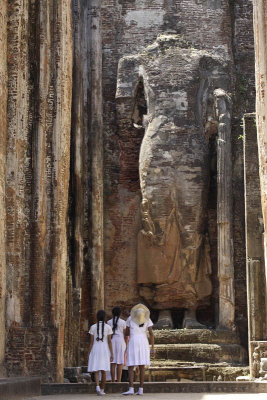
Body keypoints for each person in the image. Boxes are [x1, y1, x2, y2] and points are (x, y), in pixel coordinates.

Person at [122, 304, 155, 396]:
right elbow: (151, 334)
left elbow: (126, 333)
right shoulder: (147, 319)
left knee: (131, 366)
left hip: (133, 341)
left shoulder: (130, 319)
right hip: (143, 342)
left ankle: (131, 388)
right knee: (142, 366)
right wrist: (153, 347)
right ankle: (141, 389)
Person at [88, 310, 114, 396]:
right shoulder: (108, 327)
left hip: (95, 348)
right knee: (104, 370)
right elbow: (109, 341)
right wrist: (112, 353)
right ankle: (102, 390)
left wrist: (89, 352)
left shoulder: (93, 327)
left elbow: (91, 342)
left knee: (96, 369)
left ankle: (97, 387)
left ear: (97, 317)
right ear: (104, 317)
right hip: (104, 349)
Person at [107, 306, 127, 382]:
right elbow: (125, 335)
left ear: (112, 313)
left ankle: (113, 381)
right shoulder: (123, 322)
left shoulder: (109, 322)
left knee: (113, 363)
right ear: (120, 313)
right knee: (120, 363)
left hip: (112, 341)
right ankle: (118, 381)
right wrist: (126, 345)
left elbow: (108, 335)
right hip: (121, 342)